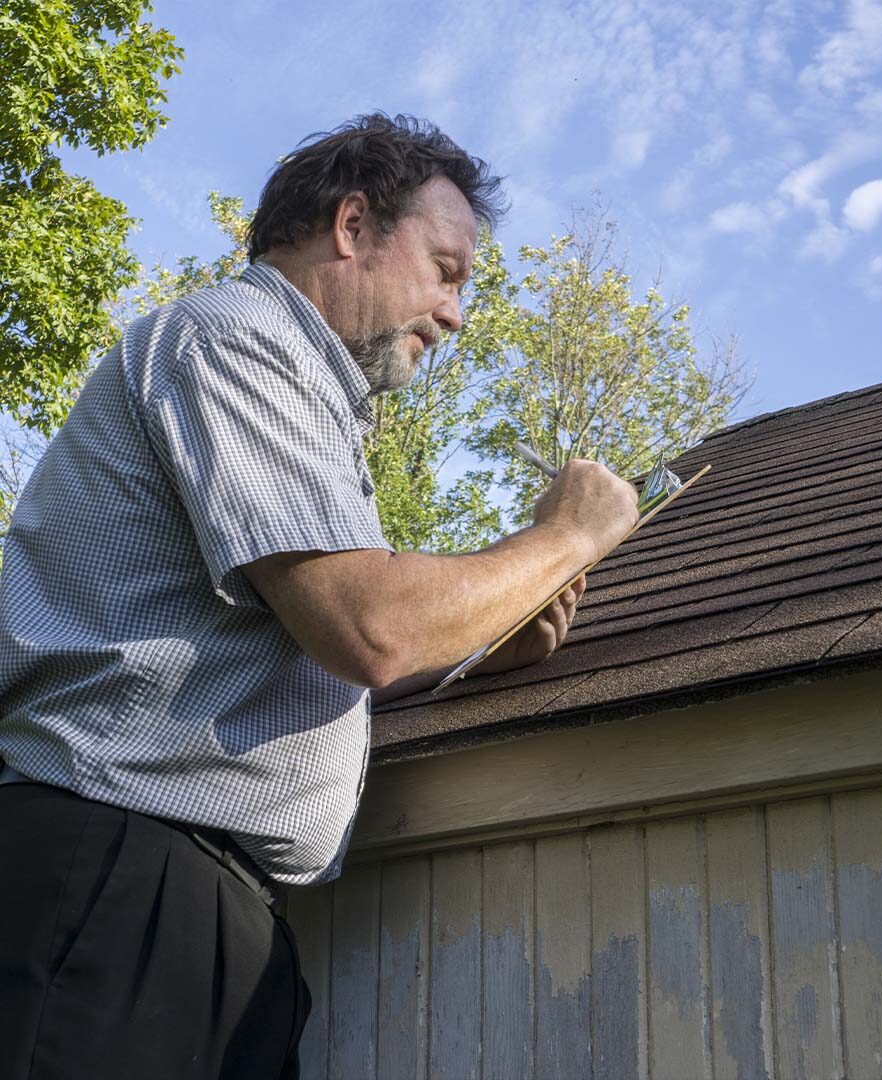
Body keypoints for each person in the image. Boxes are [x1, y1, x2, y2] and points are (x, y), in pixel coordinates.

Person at [0, 114, 640, 1079]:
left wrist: (474, 649)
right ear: (352, 225)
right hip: (114, 883)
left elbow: (292, 662)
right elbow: (368, 626)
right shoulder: (240, 337)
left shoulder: (293, 388)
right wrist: (569, 533)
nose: (456, 312)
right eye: (448, 268)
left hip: (187, 901)